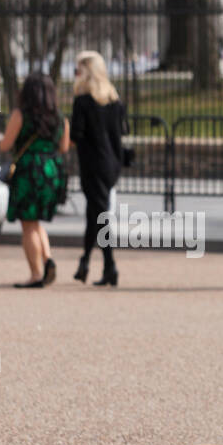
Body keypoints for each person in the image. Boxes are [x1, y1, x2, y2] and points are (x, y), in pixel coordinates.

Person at [0, 71, 69, 288]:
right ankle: (47, 259)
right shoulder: (60, 118)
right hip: (51, 171)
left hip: (29, 170)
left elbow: (5, 144)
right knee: (36, 221)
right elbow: (64, 147)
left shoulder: (21, 115)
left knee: (28, 224)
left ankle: (36, 273)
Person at [70, 50, 126, 287]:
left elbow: (76, 135)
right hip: (111, 163)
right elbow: (119, 136)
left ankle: (109, 265)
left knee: (99, 216)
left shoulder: (83, 101)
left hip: (92, 164)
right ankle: (85, 262)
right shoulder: (113, 99)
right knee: (95, 214)